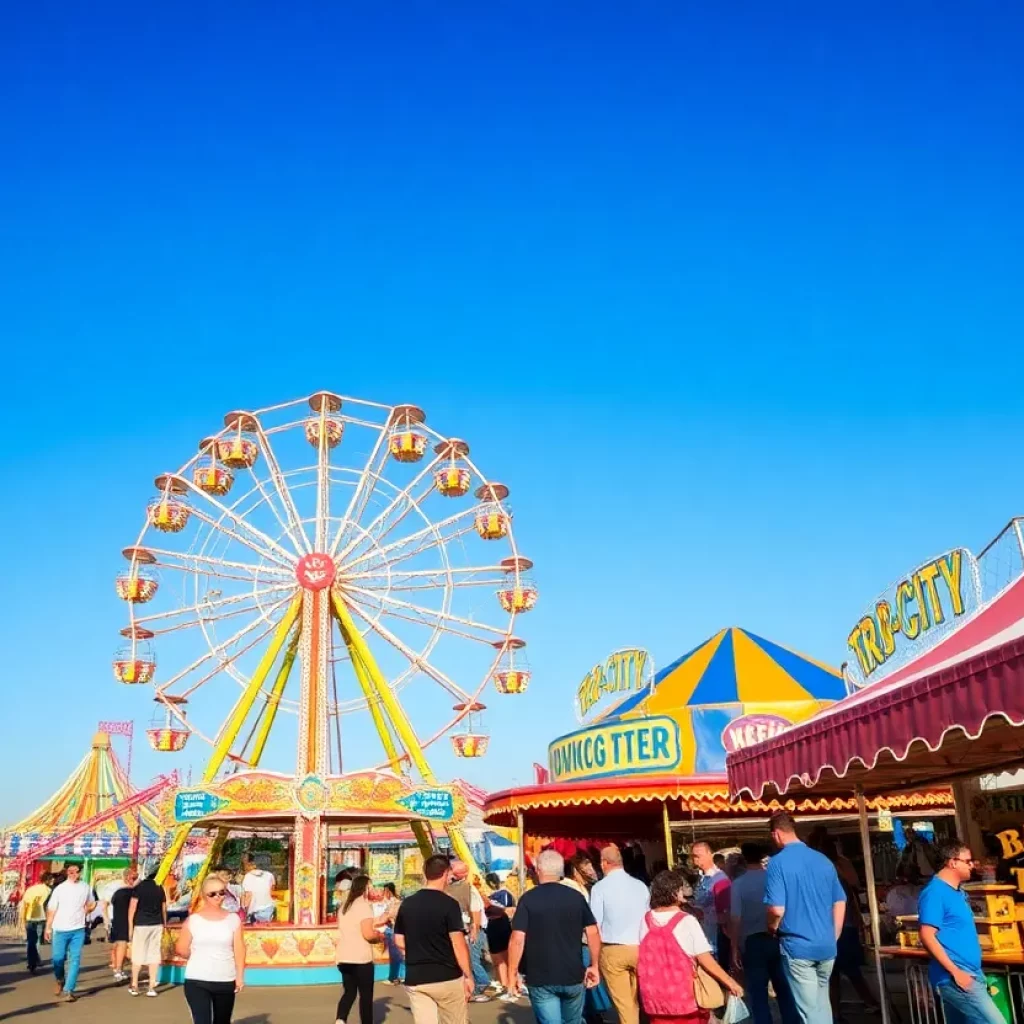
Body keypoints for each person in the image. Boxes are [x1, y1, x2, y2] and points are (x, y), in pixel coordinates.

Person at [764, 812, 847, 1024]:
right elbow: (840, 900)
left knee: (809, 1012)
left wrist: (772, 928)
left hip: (797, 946)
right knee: (822, 1005)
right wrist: (834, 934)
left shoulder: (777, 863)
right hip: (826, 945)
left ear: (777, 834)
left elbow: (777, 910)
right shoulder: (823, 860)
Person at [508, 848, 602, 1024]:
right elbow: (593, 931)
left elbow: (517, 939)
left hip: (540, 976)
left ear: (539, 870)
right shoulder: (576, 897)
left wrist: (512, 972)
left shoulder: (528, 899)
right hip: (573, 973)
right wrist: (595, 965)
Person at [638, 869, 743, 1024]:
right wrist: (730, 982)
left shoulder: (646, 920)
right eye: (681, 889)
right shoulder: (686, 921)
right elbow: (705, 959)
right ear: (674, 893)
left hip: (654, 997)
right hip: (683, 996)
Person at [918, 841, 1004, 1024]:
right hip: (955, 976)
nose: (972, 865)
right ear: (952, 862)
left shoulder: (958, 892)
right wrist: (955, 971)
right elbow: (926, 934)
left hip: (970, 973)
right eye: (968, 861)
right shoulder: (934, 893)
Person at [394, 854, 475, 1024]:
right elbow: (458, 943)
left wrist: (417, 953)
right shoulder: (449, 904)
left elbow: (399, 940)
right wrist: (468, 976)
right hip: (447, 976)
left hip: (416, 977)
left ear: (425, 873)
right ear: (446, 874)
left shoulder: (407, 904)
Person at [729, 843, 797, 1024]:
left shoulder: (738, 884)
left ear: (743, 859)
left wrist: (734, 948)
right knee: (784, 989)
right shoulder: (774, 879)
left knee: (758, 994)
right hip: (778, 937)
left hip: (752, 942)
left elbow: (735, 918)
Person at [818, 841, 879, 1020]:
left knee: (842, 972)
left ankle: (842, 1010)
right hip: (845, 927)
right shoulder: (841, 874)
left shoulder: (832, 877)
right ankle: (838, 1011)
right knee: (842, 972)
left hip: (839, 928)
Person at [589, 844, 649, 1024]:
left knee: (624, 1005)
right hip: (641, 947)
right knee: (643, 998)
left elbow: (595, 926)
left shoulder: (599, 888)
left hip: (613, 949)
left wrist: (594, 961)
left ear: (603, 863)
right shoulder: (641, 886)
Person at [175, 874, 246, 1024]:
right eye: (212, 894)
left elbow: (239, 949)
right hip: (197, 980)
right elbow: (181, 948)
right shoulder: (193, 920)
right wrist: (195, 956)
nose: (218, 897)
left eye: (222, 892)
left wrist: (239, 976)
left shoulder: (233, 919)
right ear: (204, 896)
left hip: (225, 979)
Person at [334, 874, 384, 1024]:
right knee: (365, 996)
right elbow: (368, 934)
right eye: (371, 886)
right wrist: (379, 937)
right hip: (361, 959)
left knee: (349, 992)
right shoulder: (363, 906)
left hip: (344, 956)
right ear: (365, 888)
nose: (373, 889)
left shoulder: (345, 906)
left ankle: (340, 1019)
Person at [45, 863, 95, 1003]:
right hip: (60, 929)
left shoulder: (85, 887)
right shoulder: (60, 889)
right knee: (58, 959)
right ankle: (60, 979)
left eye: (76, 871)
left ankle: (69, 990)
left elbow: (92, 903)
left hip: (78, 929)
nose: (73, 874)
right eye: (70, 872)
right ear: (67, 873)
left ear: (80, 872)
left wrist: (88, 910)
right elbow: (52, 909)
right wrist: (48, 928)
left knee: (75, 959)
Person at [448, 858, 491, 1000]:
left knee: (472, 960)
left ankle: (481, 984)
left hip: (473, 930)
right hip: (465, 930)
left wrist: (475, 930)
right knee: (468, 960)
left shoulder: (468, 888)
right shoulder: (456, 888)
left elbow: (476, 910)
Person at [692, 841, 732, 969]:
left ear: (710, 854)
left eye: (699, 855)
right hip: (704, 932)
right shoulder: (702, 878)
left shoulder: (720, 879)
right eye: (693, 856)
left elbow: (724, 912)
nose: (696, 859)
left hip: (716, 935)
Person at [129, 868, 167, 997]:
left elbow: (132, 909)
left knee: (138, 955)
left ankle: (134, 985)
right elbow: (163, 908)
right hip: (157, 924)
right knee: (154, 955)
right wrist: (165, 923)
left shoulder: (138, 888)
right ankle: (151, 987)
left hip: (141, 924)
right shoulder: (159, 888)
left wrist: (130, 926)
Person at [482, 873, 515, 998]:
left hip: (501, 924)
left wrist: (488, 902)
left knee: (505, 958)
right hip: (493, 926)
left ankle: (510, 984)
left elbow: (506, 909)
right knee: (498, 959)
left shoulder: (504, 894)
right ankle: (504, 984)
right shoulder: (492, 895)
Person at [108, 866, 139, 983]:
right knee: (122, 945)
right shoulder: (132, 893)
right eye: (135, 877)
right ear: (128, 878)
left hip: (117, 921)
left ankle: (117, 968)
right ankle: (118, 970)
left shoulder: (117, 892)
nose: (136, 880)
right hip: (126, 922)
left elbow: (111, 903)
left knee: (118, 945)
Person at [20, 872, 52, 975]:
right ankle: (35, 959)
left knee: (31, 941)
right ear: (47, 880)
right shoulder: (48, 890)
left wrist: (22, 918)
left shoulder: (31, 890)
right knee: (37, 940)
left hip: (30, 917)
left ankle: (32, 961)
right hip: (42, 918)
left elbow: (24, 904)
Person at [379, 882, 405, 985]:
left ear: (388, 891)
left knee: (394, 955)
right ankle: (401, 976)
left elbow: (388, 916)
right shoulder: (395, 901)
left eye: (385, 891)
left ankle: (393, 977)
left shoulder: (394, 902)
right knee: (399, 954)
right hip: (396, 929)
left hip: (393, 929)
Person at [241, 856, 276, 924]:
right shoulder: (270, 875)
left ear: (253, 865)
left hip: (254, 912)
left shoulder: (248, 876)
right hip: (269, 910)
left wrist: (244, 911)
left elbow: (248, 896)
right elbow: (272, 893)